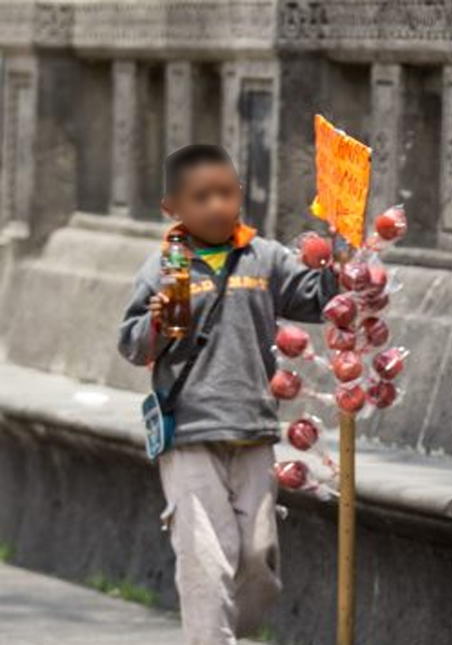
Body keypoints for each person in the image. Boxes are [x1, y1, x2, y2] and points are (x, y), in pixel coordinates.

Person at [117, 144, 337, 645]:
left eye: (227, 193)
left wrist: (343, 265)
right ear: (172, 207)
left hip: (253, 427)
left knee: (258, 558)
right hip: (189, 431)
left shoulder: (264, 257)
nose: (217, 205)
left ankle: (227, 634)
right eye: (202, 197)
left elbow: (316, 299)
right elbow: (131, 344)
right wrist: (156, 324)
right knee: (206, 559)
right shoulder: (163, 267)